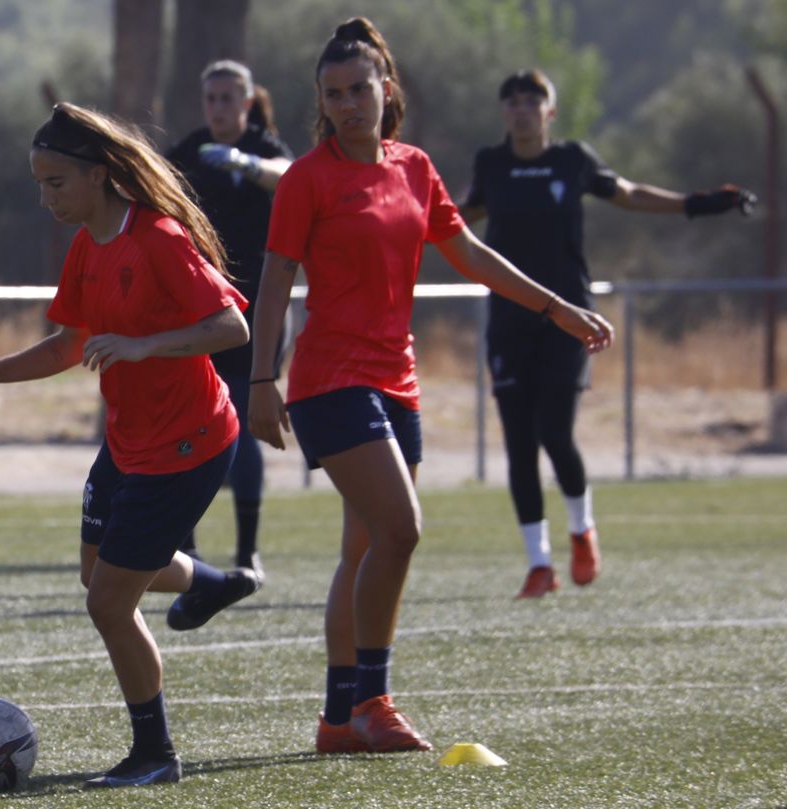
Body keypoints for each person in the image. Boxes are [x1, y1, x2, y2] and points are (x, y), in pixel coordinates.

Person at [247, 19, 614, 754]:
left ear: (387, 91)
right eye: (334, 95)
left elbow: (470, 252)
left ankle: (334, 720)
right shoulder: (307, 179)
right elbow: (277, 279)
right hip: (329, 379)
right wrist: (262, 377)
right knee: (402, 529)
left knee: (362, 550)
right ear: (321, 103)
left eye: (360, 89)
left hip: (397, 379)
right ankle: (374, 702)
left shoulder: (414, 167)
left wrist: (555, 305)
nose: (349, 104)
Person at [0, 103, 263, 787]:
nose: (45, 197)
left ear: (99, 176)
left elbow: (231, 326)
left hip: (188, 445)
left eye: (55, 182)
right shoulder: (88, 245)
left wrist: (145, 345)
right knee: (99, 574)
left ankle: (156, 753)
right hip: (128, 444)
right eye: (39, 184)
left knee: (108, 603)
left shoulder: (160, 238)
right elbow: (68, 342)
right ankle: (207, 582)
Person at [460, 68, 758, 599]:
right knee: (519, 446)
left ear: (550, 112)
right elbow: (454, 219)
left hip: (569, 319)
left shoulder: (573, 160)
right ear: (503, 112)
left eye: (534, 100)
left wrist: (697, 203)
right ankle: (538, 565)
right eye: (512, 102)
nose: (522, 109)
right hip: (510, 321)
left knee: (555, 432)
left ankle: (581, 530)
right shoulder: (492, 165)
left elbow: (629, 193)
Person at [166, 59, 294, 574]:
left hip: (256, 311)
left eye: (227, 99)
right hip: (196, 312)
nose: (218, 108)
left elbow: (290, 178)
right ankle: (188, 548)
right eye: (211, 98)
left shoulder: (264, 149)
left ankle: (247, 552)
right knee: (187, 425)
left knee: (241, 425)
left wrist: (243, 164)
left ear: (245, 103)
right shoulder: (191, 152)